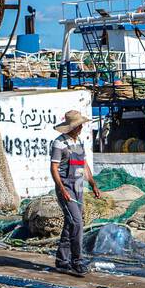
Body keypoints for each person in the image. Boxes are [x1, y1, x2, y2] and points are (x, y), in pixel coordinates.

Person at [50, 110, 101, 276]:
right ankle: (77, 261)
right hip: (66, 188)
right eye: (78, 125)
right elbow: (54, 168)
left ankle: (61, 260)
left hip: (79, 186)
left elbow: (84, 165)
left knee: (70, 223)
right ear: (70, 127)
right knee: (77, 223)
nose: (81, 128)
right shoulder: (59, 144)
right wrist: (62, 189)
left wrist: (92, 184)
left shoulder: (79, 142)